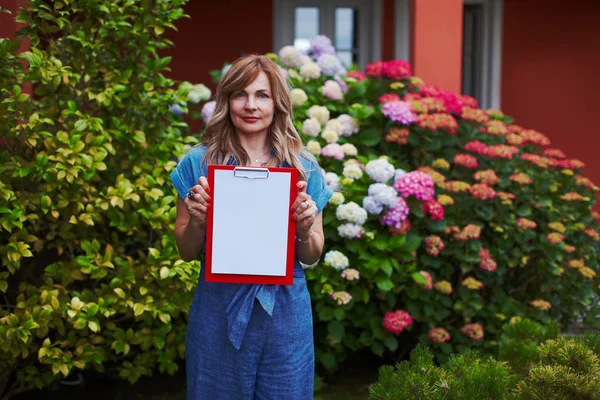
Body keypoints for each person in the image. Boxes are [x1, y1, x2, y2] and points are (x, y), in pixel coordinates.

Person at [169, 54, 333, 399]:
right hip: (217, 309)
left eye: (262, 95)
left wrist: (304, 229)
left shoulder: (304, 168)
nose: (250, 105)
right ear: (226, 101)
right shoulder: (198, 163)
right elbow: (185, 251)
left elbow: (313, 253)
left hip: (285, 313)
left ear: (277, 104)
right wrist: (198, 221)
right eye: (239, 94)